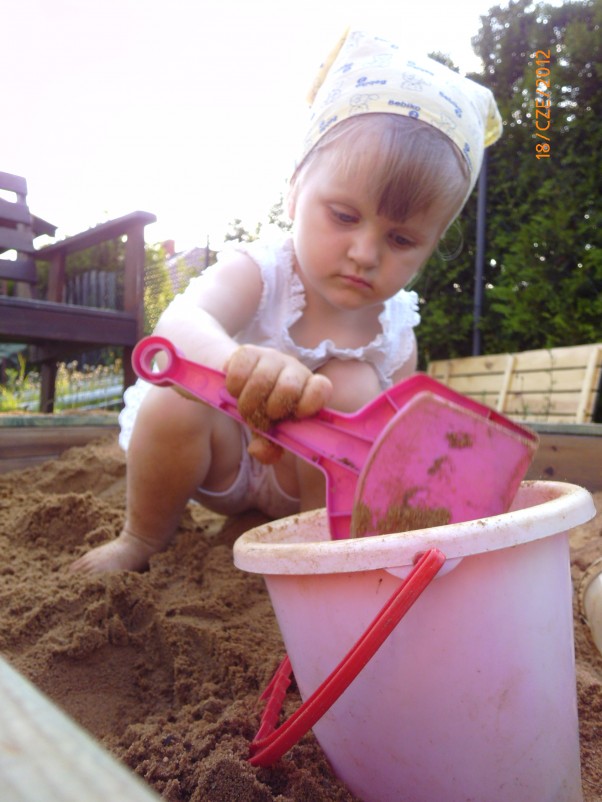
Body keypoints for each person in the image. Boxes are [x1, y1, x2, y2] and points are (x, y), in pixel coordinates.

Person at [71, 29, 502, 573]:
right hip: (219, 463)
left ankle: (321, 556)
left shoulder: (395, 331)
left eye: (401, 240)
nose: (365, 253)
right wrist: (237, 364)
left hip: (313, 493)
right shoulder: (262, 270)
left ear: (432, 245)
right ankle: (142, 537)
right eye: (343, 216)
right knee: (176, 395)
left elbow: (383, 452)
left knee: (355, 387)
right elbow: (178, 324)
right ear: (295, 190)